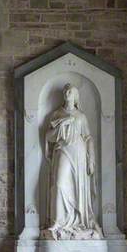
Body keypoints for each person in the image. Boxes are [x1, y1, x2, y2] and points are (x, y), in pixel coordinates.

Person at [42, 84, 102, 239]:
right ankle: (58, 222)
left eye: (71, 91)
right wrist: (63, 124)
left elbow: (88, 138)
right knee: (60, 184)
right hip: (63, 150)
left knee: (77, 187)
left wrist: (91, 159)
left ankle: (78, 222)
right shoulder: (57, 114)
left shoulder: (81, 116)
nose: (67, 93)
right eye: (66, 91)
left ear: (76, 97)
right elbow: (48, 136)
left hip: (79, 153)